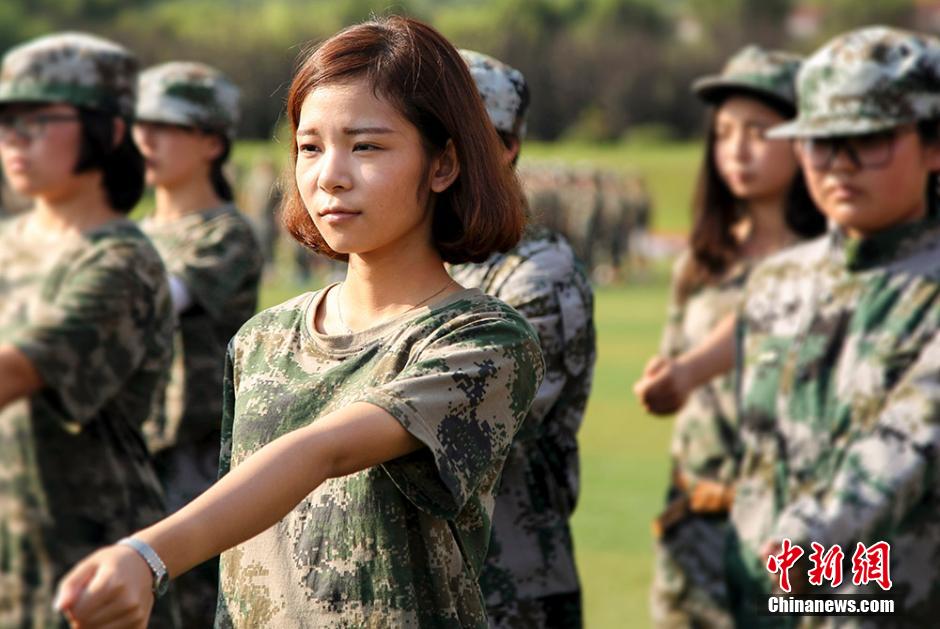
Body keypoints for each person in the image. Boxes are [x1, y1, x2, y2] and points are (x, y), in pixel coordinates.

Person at [54, 16, 543, 628]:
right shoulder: (262, 339)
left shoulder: (483, 339)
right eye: (309, 147)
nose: (329, 175)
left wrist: (149, 555)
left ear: (442, 166)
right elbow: (244, 560)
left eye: (366, 146)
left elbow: (326, 449)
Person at [721, 26, 940, 626]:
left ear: (933, 145)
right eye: (821, 141)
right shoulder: (777, 283)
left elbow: (913, 441)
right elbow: (755, 459)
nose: (840, 165)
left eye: (869, 139)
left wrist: (808, 534)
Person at [640, 45, 825, 628]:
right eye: (723, 134)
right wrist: (663, 381)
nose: (737, 150)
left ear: (806, 141)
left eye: (759, 132)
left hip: (801, 533)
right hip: (696, 520)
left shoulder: (835, 264)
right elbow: (676, 382)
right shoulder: (701, 262)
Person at [0, 33, 179, 627]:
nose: (13, 139)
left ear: (110, 131)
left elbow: (15, 372)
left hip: (94, 574)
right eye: (6, 120)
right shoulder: (9, 244)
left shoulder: (119, 261)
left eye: (38, 119)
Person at [451, 50, 596, 628]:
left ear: (507, 147)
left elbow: (467, 426)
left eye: (462, 135)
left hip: (510, 586)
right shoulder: (416, 264)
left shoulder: (536, 273)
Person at [133, 61, 263, 629]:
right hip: (126, 454)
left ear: (212, 141)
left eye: (168, 126)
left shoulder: (225, 234)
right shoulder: (130, 233)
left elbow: (149, 301)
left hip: (192, 465)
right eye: (139, 124)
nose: (146, 139)